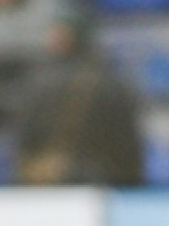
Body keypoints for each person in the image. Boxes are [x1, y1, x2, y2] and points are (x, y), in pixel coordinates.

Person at [15, 10, 145, 186]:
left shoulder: (39, 82)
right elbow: (128, 146)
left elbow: (24, 139)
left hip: (50, 182)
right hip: (103, 182)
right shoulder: (112, 81)